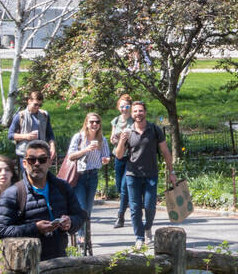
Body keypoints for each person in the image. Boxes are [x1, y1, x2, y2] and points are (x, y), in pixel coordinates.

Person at [0, 139, 86, 274]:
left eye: (42, 159)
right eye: (32, 160)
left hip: (58, 265)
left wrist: (71, 223)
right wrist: (34, 229)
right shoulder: (13, 194)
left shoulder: (62, 188)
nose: (37, 164)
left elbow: (80, 215)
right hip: (26, 272)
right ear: (24, 163)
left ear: (49, 162)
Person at [112, 100, 175, 248]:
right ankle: (139, 237)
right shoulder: (127, 132)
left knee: (149, 206)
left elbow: (165, 152)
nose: (138, 114)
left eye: (140, 111)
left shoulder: (154, 130)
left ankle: (147, 229)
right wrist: (121, 141)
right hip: (132, 175)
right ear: (132, 114)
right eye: (135, 111)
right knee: (135, 208)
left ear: (145, 112)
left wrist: (171, 172)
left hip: (150, 175)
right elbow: (119, 156)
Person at [64, 112, 110, 249]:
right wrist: (86, 149)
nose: (94, 124)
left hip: (93, 176)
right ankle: (80, 236)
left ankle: (86, 235)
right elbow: (71, 156)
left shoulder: (102, 139)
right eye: (91, 122)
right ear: (86, 123)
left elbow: (106, 156)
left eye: (97, 122)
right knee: (81, 207)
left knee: (88, 209)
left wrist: (105, 160)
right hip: (79, 176)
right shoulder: (79, 138)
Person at [108, 94, 134, 228]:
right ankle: (129, 200)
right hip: (118, 156)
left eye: (127, 106)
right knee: (119, 186)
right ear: (119, 107)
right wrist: (115, 138)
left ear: (130, 107)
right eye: (122, 106)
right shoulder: (116, 121)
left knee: (124, 187)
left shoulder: (134, 121)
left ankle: (120, 216)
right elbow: (112, 138)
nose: (124, 109)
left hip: (130, 157)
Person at [8, 91, 56, 165]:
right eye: (35, 104)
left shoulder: (44, 115)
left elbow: (50, 134)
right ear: (29, 101)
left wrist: (52, 147)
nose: (38, 107)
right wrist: (26, 136)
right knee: (26, 176)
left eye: (40, 105)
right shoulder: (20, 116)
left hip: (41, 154)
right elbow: (10, 135)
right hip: (25, 154)